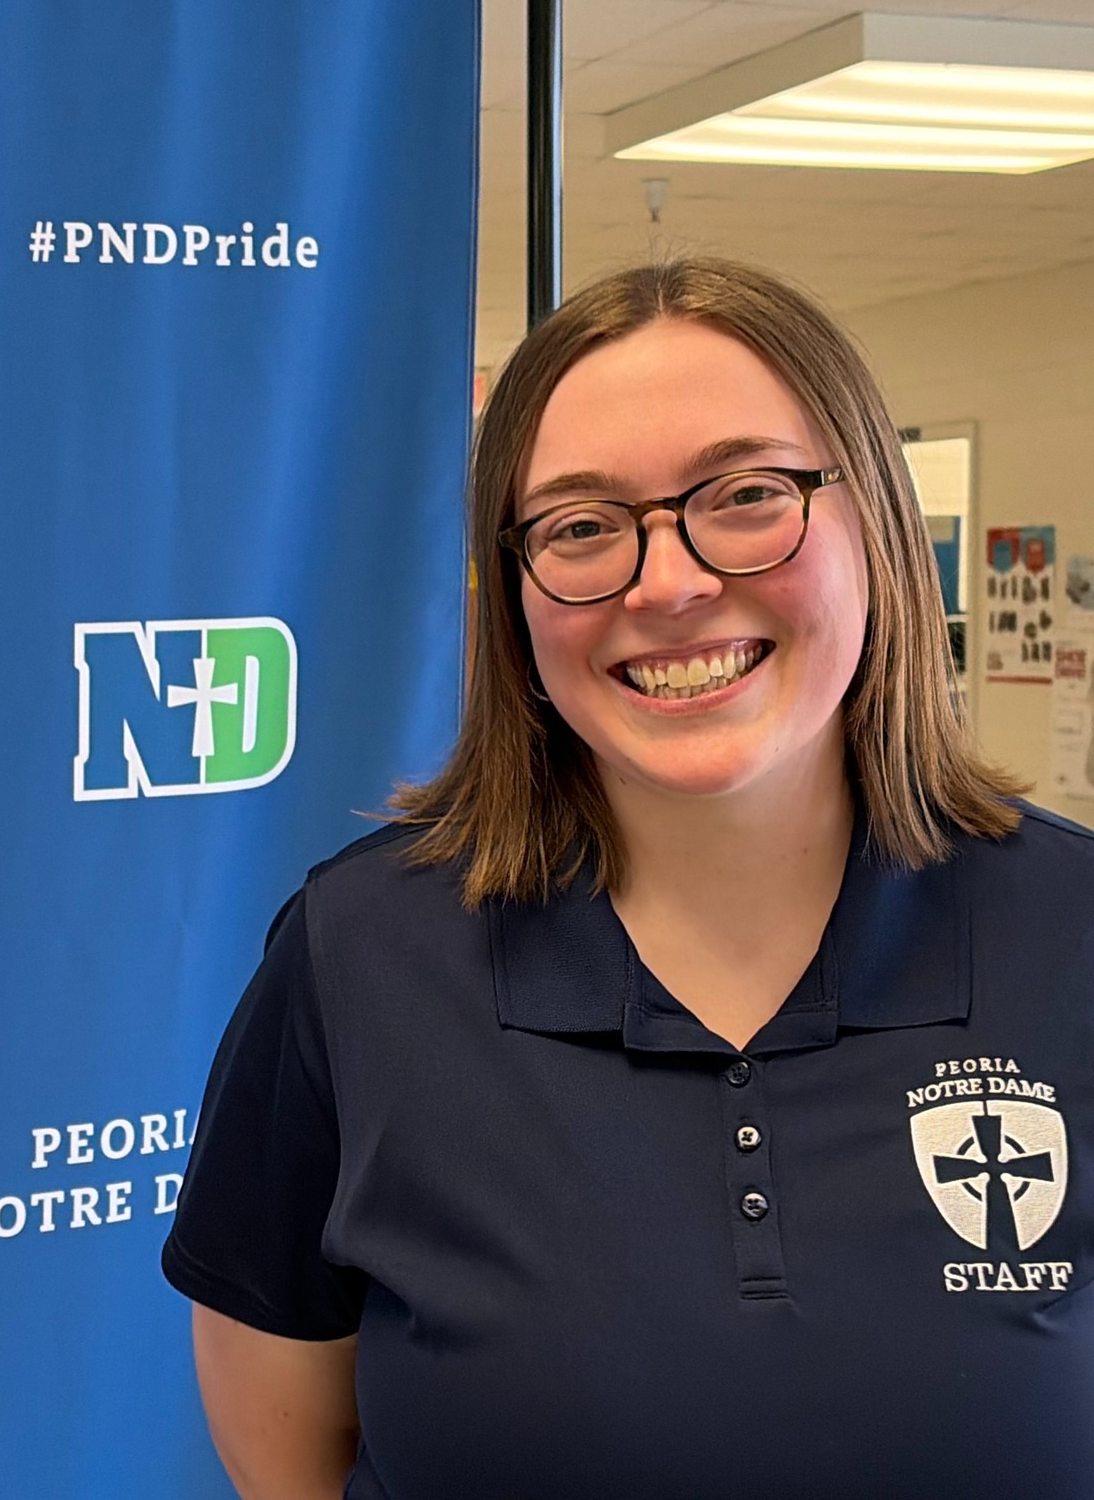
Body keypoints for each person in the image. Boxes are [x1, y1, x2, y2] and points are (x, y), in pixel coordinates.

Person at [160, 257, 1094, 1499]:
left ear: (875, 518)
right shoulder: (359, 957)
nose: (672, 583)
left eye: (747, 494)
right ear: (514, 592)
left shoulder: (1070, 931)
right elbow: (290, 1452)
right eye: (582, 526)